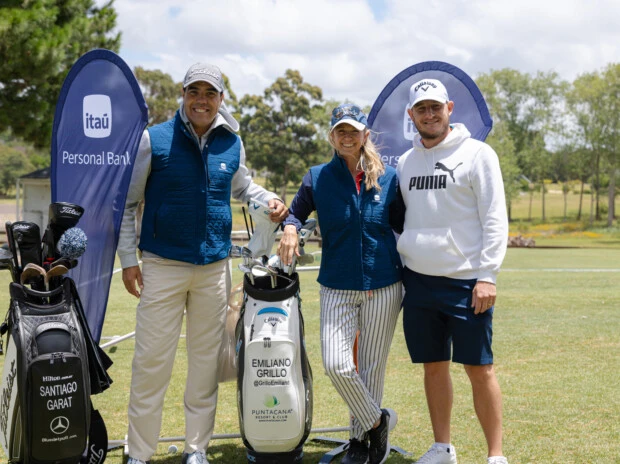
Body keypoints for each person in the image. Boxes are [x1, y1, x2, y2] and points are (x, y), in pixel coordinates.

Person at [117, 62, 288, 464]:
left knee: (205, 363)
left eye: (210, 93)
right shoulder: (154, 139)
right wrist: (128, 259)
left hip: (214, 268)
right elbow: (127, 203)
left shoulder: (232, 142)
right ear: (183, 95)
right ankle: (138, 453)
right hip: (162, 264)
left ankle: (196, 449)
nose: (201, 100)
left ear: (221, 99)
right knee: (151, 362)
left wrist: (270, 200)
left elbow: (242, 186)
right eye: (194, 91)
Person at [278, 103, 403, 464]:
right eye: (340, 131)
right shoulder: (317, 177)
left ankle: (360, 443)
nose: (347, 137)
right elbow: (294, 213)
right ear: (331, 136)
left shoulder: (390, 178)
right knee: (337, 364)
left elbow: (405, 225)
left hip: (384, 284)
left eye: (354, 131)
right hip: (337, 285)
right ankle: (378, 422)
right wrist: (290, 228)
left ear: (365, 135)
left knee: (371, 370)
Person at [396, 78, 509, 464]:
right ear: (411, 115)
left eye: (435, 107)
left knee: (480, 369)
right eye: (421, 109)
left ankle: (495, 455)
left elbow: (494, 218)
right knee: (433, 367)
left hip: (467, 282)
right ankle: (442, 448)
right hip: (419, 282)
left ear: (450, 108)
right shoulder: (405, 163)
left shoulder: (478, 154)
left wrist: (487, 275)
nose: (429, 114)